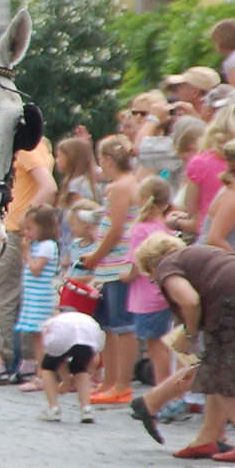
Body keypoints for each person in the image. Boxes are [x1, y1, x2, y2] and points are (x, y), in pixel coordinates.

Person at [135, 234, 235, 462]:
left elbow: (189, 300)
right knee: (219, 369)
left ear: (152, 265)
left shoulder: (167, 265)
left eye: (152, 278)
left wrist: (190, 334)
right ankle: (207, 438)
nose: (157, 282)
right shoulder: (199, 255)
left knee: (220, 371)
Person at [80, 135, 141, 405]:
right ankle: (110, 381)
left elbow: (116, 229)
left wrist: (95, 256)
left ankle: (122, 384)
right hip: (111, 265)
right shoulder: (129, 182)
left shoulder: (120, 186)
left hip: (118, 264)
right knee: (109, 326)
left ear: (107, 159)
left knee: (122, 326)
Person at [0, 136, 56, 376]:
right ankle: (29, 359)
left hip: (17, 231)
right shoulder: (43, 147)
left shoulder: (27, 149)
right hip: (25, 231)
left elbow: (49, 186)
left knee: (2, 296)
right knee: (26, 295)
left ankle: (1, 358)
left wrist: (25, 218)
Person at [127, 175, 178, 394]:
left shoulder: (141, 229)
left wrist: (124, 275)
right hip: (163, 294)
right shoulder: (165, 228)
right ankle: (165, 388)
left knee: (154, 346)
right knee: (161, 344)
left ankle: (162, 390)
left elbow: (136, 264)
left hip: (146, 296)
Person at [13, 205, 61, 384]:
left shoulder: (47, 246)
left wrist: (26, 252)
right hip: (33, 295)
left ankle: (42, 375)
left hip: (41, 297)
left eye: (30, 228)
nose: (26, 232)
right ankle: (40, 373)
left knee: (41, 338)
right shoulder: (37, 245)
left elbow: (35, 269)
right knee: (35, 337)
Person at [34, 302, 104, 424]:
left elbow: (53, 352)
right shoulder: (84, 319)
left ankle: (53, 408)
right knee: (80, 369)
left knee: (48, 366)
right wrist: (89, 371)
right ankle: (86, 409)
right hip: (91, 334)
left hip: (62, 335)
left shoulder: (54, 321)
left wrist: (66, 380)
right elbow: (95, 356)